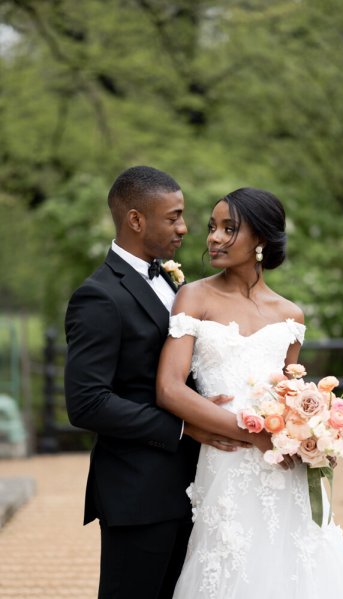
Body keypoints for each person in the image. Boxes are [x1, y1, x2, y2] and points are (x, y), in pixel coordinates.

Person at [156, 187, 343, 599]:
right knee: (229, 562)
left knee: (295, 565)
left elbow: (288, 391)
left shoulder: (290, 315)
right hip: (226, 460)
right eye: (212, 227)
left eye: (229, 229)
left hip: (283, 465)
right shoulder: (194, 297)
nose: (214, 238)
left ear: (260, 239)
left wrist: (313, 434)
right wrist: (249, 434)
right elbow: (169, 388)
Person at [64, 166, 251, 599]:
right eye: (174, 217)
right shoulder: (99, 296)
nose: (185, 228)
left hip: (199, 484)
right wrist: (185, 427)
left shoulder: (170, 279)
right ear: (135, 219)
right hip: (140, 494)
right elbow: (87, 403)